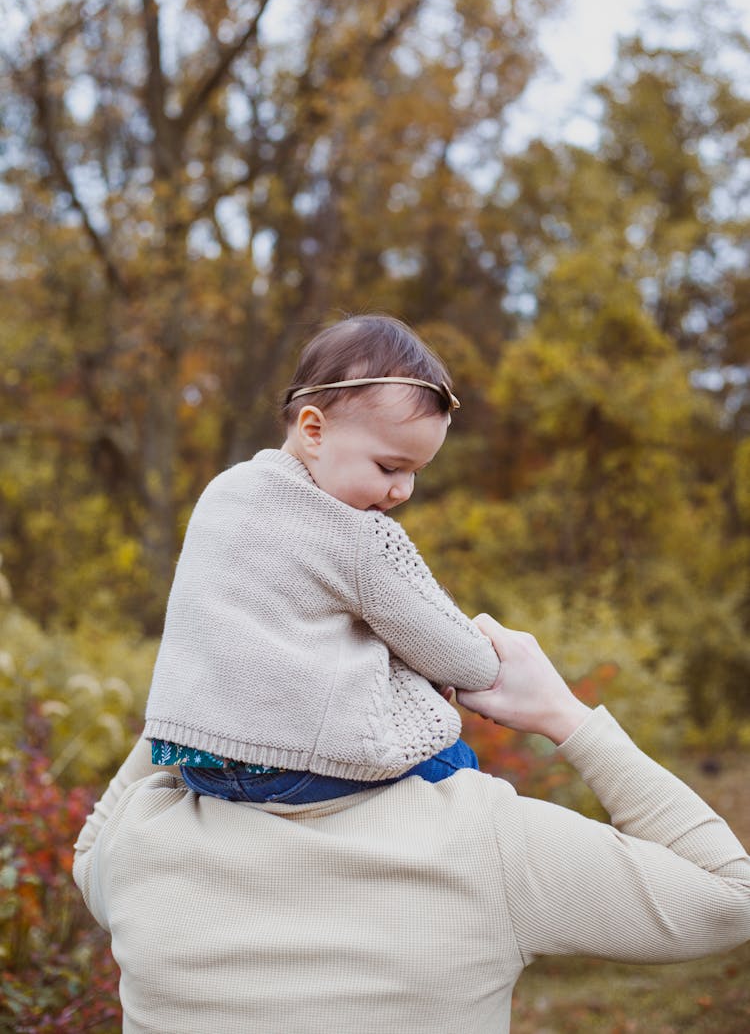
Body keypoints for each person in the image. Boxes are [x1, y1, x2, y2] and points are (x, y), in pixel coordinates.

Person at [73, 614, 750, 1034]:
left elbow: (88, 848)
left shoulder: (141, 841)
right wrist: (560, 713)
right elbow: (729, 895)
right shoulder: (484, 838)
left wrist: (199, 682)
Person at [144, 314, 500, 803]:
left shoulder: (222, 492)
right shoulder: (354, 532)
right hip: (289, 766)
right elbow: (462, 659)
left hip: (195, 760)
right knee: (461, 768)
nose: (402, 491)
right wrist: (486, 654)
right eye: (390, 467)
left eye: (416, 473)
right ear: (314, 431)